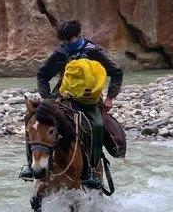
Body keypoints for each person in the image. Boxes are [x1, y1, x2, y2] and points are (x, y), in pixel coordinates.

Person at [20, 20, 124, 188]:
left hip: (87, 100)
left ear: (77, 35)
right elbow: (42, 74)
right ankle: (31, 166)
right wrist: (47, 98)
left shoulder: (94, 51)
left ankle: (90, 171)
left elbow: (116, 72)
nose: (67, 43)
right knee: (31, 119)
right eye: (65, 41)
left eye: (70, 40)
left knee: (96, 125)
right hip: (61, 97)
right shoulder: (61, 53)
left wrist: (110, 97)